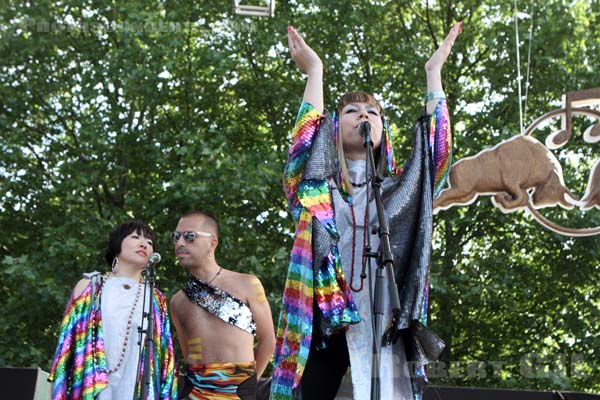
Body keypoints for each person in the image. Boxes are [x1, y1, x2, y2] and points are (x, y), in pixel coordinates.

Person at [270, 23, 462, 400]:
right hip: (325, 318)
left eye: (373, 113)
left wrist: (433, 74)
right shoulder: (318, 189)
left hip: (385, 319)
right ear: (333, 126)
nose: (364, 117)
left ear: (382, 130)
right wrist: (315, 73)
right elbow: (302, 149)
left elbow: (436, 159)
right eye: (352, 111)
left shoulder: (398, 192)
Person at [48, 220, 178, 400]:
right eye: (135, 237)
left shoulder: (156, 299)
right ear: (118, 245)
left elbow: (165, 356)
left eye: (149, 243)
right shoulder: (90, 287)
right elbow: (66, 347)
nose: (144, 244)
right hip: (92, 389)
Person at [170, 211, 276, 400]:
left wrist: (247, 384)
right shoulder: (178, 301)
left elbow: (268, 340)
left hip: (240, 388)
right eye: (176, 237)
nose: (180, 243)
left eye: (189, 236)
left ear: (213, 243)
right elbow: (187, 353)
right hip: (195, 391)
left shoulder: (248, 284)